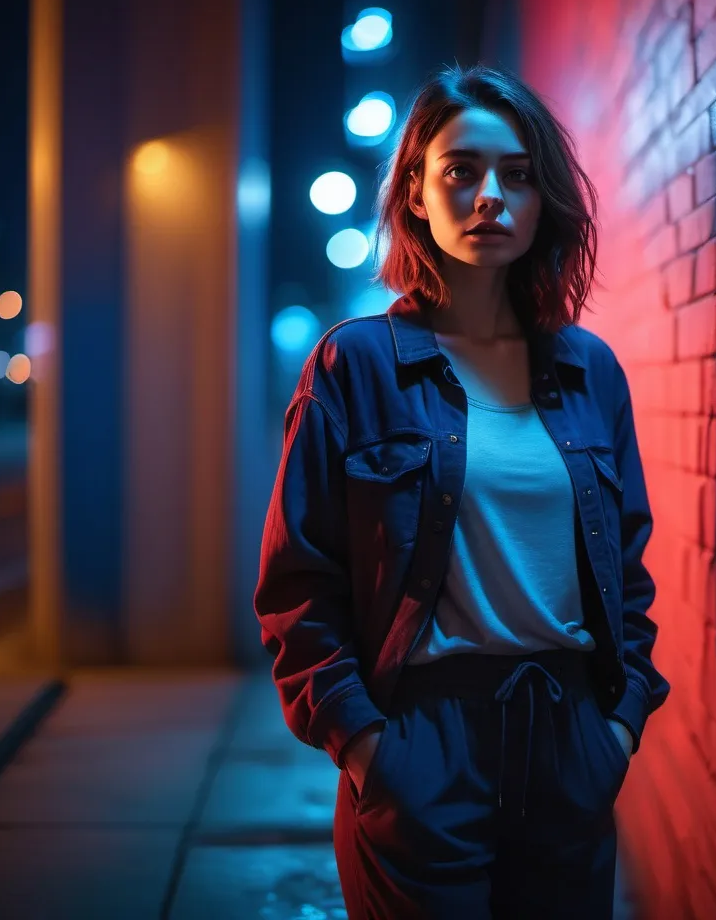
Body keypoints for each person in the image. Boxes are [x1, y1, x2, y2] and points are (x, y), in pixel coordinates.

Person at [254, 63, 670, 920]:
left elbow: (627, 573)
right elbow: (297, 584)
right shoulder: (355, 366)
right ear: (414, 190)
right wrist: (369, 748)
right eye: (462, 171)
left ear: (544, 197)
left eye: (518, 175)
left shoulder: (589, 371)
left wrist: (617, 730)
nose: (491, 197)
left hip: (568, 741)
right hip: (421, 741)